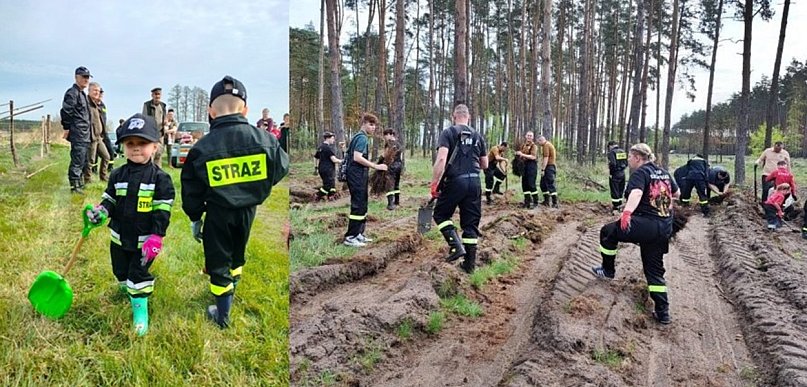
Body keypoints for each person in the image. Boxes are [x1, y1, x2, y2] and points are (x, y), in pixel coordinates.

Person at [181, 76, 289, 328]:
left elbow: (191, 190)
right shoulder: (265, 140)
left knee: (218, 261)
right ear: (245, 110)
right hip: (248, 212)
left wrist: (195, 217)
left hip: (217, 214)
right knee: (238, 253)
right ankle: (233, 287)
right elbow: (281, 167)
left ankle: (222, 316)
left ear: (211, 111)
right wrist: (255, 188)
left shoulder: (202, 148)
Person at [85, 113, 175, 336]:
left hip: (145, 242)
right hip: (119, 238)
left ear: (155, 147)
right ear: (123, 147)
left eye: (142, 143)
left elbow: (162, 210)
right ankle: (129, 291)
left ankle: (140, 312)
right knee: (121, 271)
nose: (136, 148)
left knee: (137, 274)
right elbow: (110, 200)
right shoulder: (117, 175)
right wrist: (101, 212)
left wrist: (157, 236)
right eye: (130, 143)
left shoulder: (160, 179)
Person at [592, 143, 679, 325]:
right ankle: (663, 313)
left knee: (608, 231)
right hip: (664, 227)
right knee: (654, 270)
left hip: (646, 224)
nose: (628, 160)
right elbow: (677, 193)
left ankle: (608, 270)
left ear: (638, 158)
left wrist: (627, 213)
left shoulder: (640, 173)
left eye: (630, 157)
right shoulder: (663, 172)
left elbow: (637, 193)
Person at [430, 104, 488, 274]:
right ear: (468, 117)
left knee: (440, 214)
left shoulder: (448, 133)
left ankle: (455, 246)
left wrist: (435, 183)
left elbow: (442, 160)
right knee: (471, 224)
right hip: (475, 182)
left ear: (453, 117)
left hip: (455, 181)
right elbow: (485, 164)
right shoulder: (478, 135)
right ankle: (469, 265)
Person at [343, 113, 388, 247]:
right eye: (371, 124)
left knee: (362, 204)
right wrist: (375, 166)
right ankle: (350, 237)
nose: (373, 128)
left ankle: (358, 234)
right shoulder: (362, 138)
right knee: (358, 205)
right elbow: (357, 157)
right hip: (356, 175)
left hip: (358, 175)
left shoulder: (358, 137)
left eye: (374, 125)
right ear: (364, 124)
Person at [60, 66, 93, 194]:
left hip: (85, 133)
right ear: (76, 77)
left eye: (87, 77)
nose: (86, 80)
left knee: (83, 160)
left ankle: (79, 183)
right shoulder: (72, 93)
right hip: (78, 133)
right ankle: (74, 186)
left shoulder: (82, 94)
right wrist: (67, 128)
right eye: (84, 77)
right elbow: (66, 111)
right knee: (77, 160)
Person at [85, 82, 110, 182]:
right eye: (95, 90)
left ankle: (103, 176)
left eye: (98, 91)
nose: (97, 93)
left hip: (99, 137)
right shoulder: (86, 103)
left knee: (106, 156)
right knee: (90, 159)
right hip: (91, 136)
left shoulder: (97, 104)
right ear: (89, 90)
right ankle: (87, 179)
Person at [142, 87, 167, 167]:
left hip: (160, 133)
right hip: (151, 133)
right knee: (151, 153)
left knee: (159, 153)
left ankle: (157, 170)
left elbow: (164, 117)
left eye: (159, 94)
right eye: (156, 94)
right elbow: (144, 119)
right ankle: (149, 169)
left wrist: (165, 121)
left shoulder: (163, 105)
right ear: (152, 95)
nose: (157, 96)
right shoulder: (147, 105)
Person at [314, 131, 341, 200]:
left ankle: (331, 197)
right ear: (328, 138)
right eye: (332, 138)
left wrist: (316, 167)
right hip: (328, 170)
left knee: (332, 184)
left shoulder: (320, 147)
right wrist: (342, 161)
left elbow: (315, 158)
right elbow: (334, 160)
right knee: (328, 186)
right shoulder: (327, 148)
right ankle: (317, 195)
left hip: (322, 169)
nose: (333, 140)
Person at [516, 132, 539, 208]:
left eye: (531, 136)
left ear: (533, 137)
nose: (529, 137)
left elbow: (533, 157)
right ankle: (527, 202)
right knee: (524, 184)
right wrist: (518, 154)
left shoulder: (534, 146)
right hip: (524, 166)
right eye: (528, 135)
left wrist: (522, 154)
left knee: (531, 184)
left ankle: (535, 202)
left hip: (531, 166)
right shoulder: (523, 145)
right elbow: (521, 154)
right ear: (526, 136)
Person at [382, 128, 403, 210]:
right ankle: (397, 201)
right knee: (396, 184)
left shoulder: (389, 144)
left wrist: (380, 161)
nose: (384, 137)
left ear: (390, 134)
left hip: (391, 166)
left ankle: (390, 204)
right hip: (399, 166)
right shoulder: (398, 144)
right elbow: (401, 156)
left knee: (389, 184)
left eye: (385, 135)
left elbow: (385, 155)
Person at [606, 141, 628, 211]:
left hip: (615, 174)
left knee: (614, 190)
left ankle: (616, 206)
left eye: (608, 147)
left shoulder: (612, 153)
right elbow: (626, 163)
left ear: (610, 145)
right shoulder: (622, 151)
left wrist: (611, 172)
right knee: (620, 189)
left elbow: (612, 164)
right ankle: (620, 205)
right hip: (622, 173)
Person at [537, 135, 558, 207]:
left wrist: (543, 169)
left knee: (550, 184)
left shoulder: (546, 145)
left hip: (549, 167)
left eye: (538, 142)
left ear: (541, 140)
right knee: (543, 184)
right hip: (549, 167)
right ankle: (546, 201)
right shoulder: (547, 145)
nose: (539, 144)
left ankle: (555, 202)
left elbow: (546, 158)